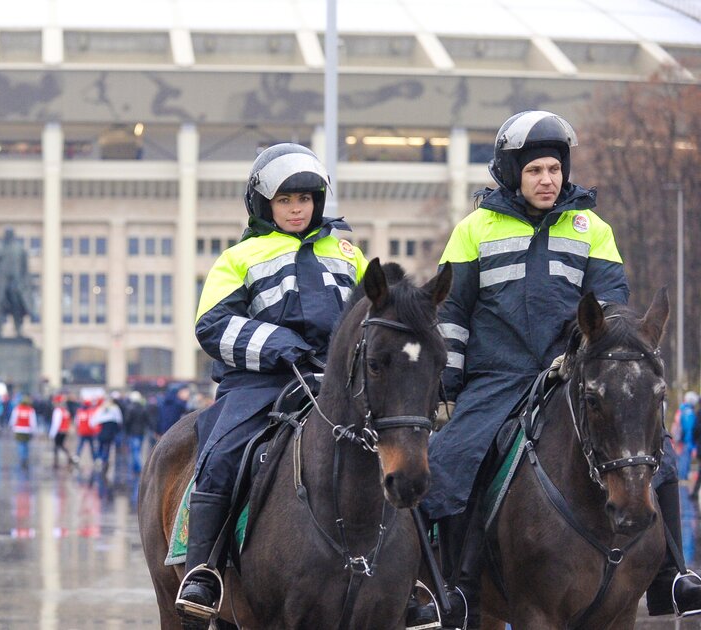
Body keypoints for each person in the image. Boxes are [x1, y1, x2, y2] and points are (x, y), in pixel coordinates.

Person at [423, 110, 701, 625]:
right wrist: (449, 380)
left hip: (569, 372)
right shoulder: (472, 230)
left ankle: (675, 577)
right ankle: (454, 589)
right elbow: (453, 313)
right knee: (450, 457)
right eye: (535, 171)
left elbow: (613, 304)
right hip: (497, 378)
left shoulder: (592, 228)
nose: (547, 179)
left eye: (554, 169)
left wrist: (590, 353)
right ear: (512, 173)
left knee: (652, 451)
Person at [176, 143, 368, 626]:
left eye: (305, 199)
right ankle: (203, 571)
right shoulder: (239, 257)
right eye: (286, 201)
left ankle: (412, 580)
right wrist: (278, 344)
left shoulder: (348, 254)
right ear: (264, 204)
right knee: (221, 453)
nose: (297, 209)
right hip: (263, 382)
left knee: (398, 453)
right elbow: (212, 324)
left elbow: (372, 317)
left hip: (335, 383)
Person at [90, 395, 123, 475]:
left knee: (101, 445)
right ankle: (105, 459)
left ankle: (100, 458)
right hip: (110, 431)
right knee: (107, 446)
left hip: (101, 431)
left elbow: (92, 421)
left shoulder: (100, 409)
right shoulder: (115, 408)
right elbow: (119, 420)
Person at [124, 391, 150, 475]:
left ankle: (138, 467)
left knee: (135, 450)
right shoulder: (143, 408)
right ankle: (136, 467)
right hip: (141, 432)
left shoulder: (130, 408)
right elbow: (147, 420)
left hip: (133, 432)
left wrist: (127, 431)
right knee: (138, 450)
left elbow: (127, 421)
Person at [9, 396, 37, 468]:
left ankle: (22, 458)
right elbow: (33, 422)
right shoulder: (31, 410)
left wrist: (12, 427)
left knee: (20, 445)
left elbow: (13, 419)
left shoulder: (17, 409)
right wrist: (34, 430)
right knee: (26, 445)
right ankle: (25, 458)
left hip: (18, 429)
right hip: (27, 430)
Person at [48, 395, 76, 469]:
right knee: (61, 445)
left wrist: (52, 433)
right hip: (64, 431)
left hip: (59, 431)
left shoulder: (57, 411)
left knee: (57, 446)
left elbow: (56, 423)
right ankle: (69, 457)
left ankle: (56, 462)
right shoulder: (65, 411)